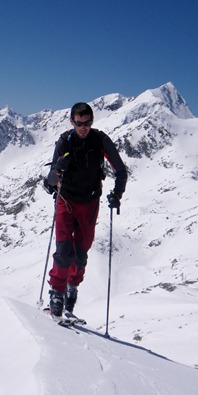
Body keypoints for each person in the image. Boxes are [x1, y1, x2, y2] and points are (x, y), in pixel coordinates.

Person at [45, 102, 127, 316]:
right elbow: (51, 181)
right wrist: (57, 170)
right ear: (72, 122)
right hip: (66, 201)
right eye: (79, 123)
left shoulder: (100, 140)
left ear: (92, 121)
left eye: (87, 122)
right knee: (64, 252)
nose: (83, 127)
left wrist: (117, 194)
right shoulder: (65, 141)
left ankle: (73, 286)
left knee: (80, 254)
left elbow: (120, 170)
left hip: (90, 203)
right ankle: (57, 291)